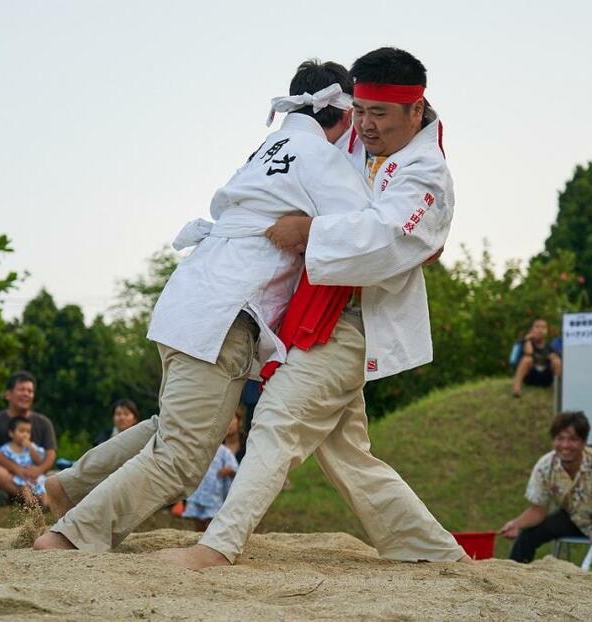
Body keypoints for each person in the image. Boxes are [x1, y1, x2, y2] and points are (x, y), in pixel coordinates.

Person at [33, 59, 372, 552]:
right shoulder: (321, 157)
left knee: (173, 428)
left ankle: (70, 486)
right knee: (183, 456)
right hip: (225, 313)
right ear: (342, 114)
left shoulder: (267, 148)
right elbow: (367, 227)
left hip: (193, 299)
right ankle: (70, 538)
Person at [157, 47, 469, 569]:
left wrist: (310, 231)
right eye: (360, 110)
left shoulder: (427, 173)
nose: (364, 126)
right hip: (310, 309)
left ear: (416, 110)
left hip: (354, 319)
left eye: (379, 115)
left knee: (277, 419)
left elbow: (389, 238)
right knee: (348, 454)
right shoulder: (354, 136)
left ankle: (218, 544)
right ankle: (432, 551)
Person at [498, 411, 592, 579]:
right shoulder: (544, 466)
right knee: (529, 533)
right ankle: (511, 577)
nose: (565, 445)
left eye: (572, 439)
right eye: (560, 439)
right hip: (574, 516)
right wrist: (517, 524)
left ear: (584, 442)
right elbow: (538, 510)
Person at [0, 371, 57, 506]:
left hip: (37, 475)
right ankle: (33, 499)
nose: (26, 394)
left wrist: (38, 470)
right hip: (7, 473)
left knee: (59, 477)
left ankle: (14, 497)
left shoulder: (44, 423)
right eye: (22, 389)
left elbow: (51, 454)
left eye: (30, 391)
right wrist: (17, 470)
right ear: (8, 394)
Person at [182, 416, 240, 531]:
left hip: (214, 494)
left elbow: (234, 468)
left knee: (211, 520)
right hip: (198, 492)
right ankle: (198, 536)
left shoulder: (224, 451)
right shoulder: (197, 449)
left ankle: (208, 537)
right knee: (198, 519)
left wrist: (228, 470)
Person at [0, 416, 50, 506]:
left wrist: (30, 447)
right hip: (20, 477)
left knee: (43, 485)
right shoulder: (6, 449)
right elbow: (4, 464)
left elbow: (38, 461)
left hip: (34, 476)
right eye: (21, 431)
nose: (25, 435)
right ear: (11, 433)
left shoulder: (31, 447)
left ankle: (46, 505)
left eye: (28, 432)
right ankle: (30, 504)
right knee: (24, 487)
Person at [511, 318, 562, 398]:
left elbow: (559, 360)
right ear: (531, 330)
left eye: (544, 327)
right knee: (527, 359)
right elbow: (529, 352)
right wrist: (528, 339)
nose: (540, 330)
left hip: (546, 379)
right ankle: (516, 388)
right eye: (537, 327)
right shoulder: (523, 341)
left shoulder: (550, 346)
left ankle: (558, 389)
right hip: (530, 377)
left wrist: (554, 357)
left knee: (557, 360)